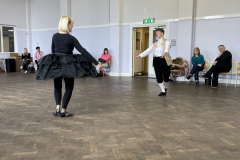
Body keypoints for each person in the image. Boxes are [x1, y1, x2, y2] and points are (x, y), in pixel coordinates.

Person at [36, 16, 102, 117]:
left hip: (57, 63)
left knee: (57, 87)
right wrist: (96, 62)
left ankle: (57, 108)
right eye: (72, 24)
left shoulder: (54, 36)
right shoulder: (71, 38)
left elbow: (53, 51)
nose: (72, 26)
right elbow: (83, 52)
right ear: (67, 25)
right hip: (69, 64)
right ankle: (63, 110)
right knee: (69, 88)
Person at [135, 28, 172, 96]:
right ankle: (163, 91)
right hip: (156, 60)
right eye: (156, 33)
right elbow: (148, 50)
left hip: (164, 60)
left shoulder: (167, 41)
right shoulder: (154, 44)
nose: (156, 34)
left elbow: (167, 48)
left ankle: (164, 85)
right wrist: (140, 55)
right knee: (158, 76)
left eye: (158, 32)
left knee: (166, 77)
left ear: (162, 33)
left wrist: (165, 53)